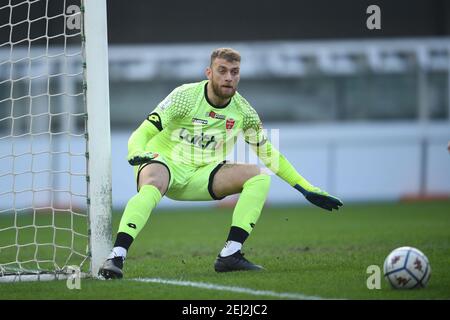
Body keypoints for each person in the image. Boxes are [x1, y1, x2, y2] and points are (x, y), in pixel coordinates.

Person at [99, 48, 343, 279]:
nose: (228, 77)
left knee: (259, 175)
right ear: (209, 73)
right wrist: (137, 151)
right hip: (163, 164)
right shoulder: (184, 97)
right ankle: (116, 257)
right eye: (222, 70)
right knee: (153, 182)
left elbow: (270, 155)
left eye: (234, 72)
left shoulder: (244, 113)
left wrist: (305, 187)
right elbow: (141, 133)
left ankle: (230, 254)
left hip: (201, 176)